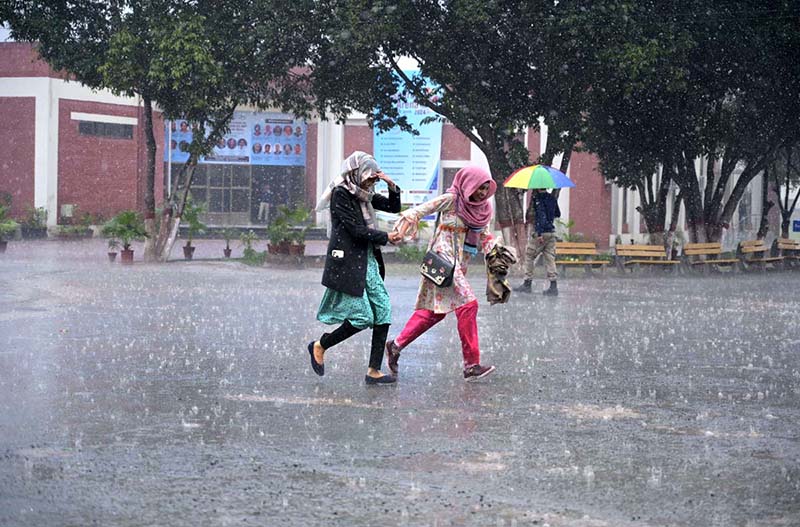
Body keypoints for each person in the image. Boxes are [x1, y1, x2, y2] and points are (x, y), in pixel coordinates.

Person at [388, 165, 499, 380]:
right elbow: (418, 211)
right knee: (469, 303)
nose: (483, 193)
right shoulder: (452, 199)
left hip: (460, 264)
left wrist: (498, 253)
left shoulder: (482, 209)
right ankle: (471, 364)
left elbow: (485, 236)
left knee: (435, 312)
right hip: (442, 259)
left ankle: (395, 345)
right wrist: (401, 231)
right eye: (479, 188)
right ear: (469, 184)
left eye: (486, 189)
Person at [309, 151, 403, 385]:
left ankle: (374, 370)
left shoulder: (365, 195)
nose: (372, 183)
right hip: (348, 260)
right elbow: (354, 230)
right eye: (369, 178)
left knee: (383, 311)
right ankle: (321, 345)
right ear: (356, 173)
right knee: (362, 317)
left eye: (374, 180)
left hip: (368, 258)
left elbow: (393, 207)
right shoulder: (341, 194)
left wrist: (391, 185)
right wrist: (387, 237)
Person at [515, 188, 561, 295]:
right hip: (551, 232)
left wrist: (539, 233)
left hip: (541, 233)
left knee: (529, 255)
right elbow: (558, 213)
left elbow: (541, 216)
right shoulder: (552, 198)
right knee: (550, 258)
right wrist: (550, 214)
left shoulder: (538, 198)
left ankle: (527, 283)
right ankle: (553, 286)